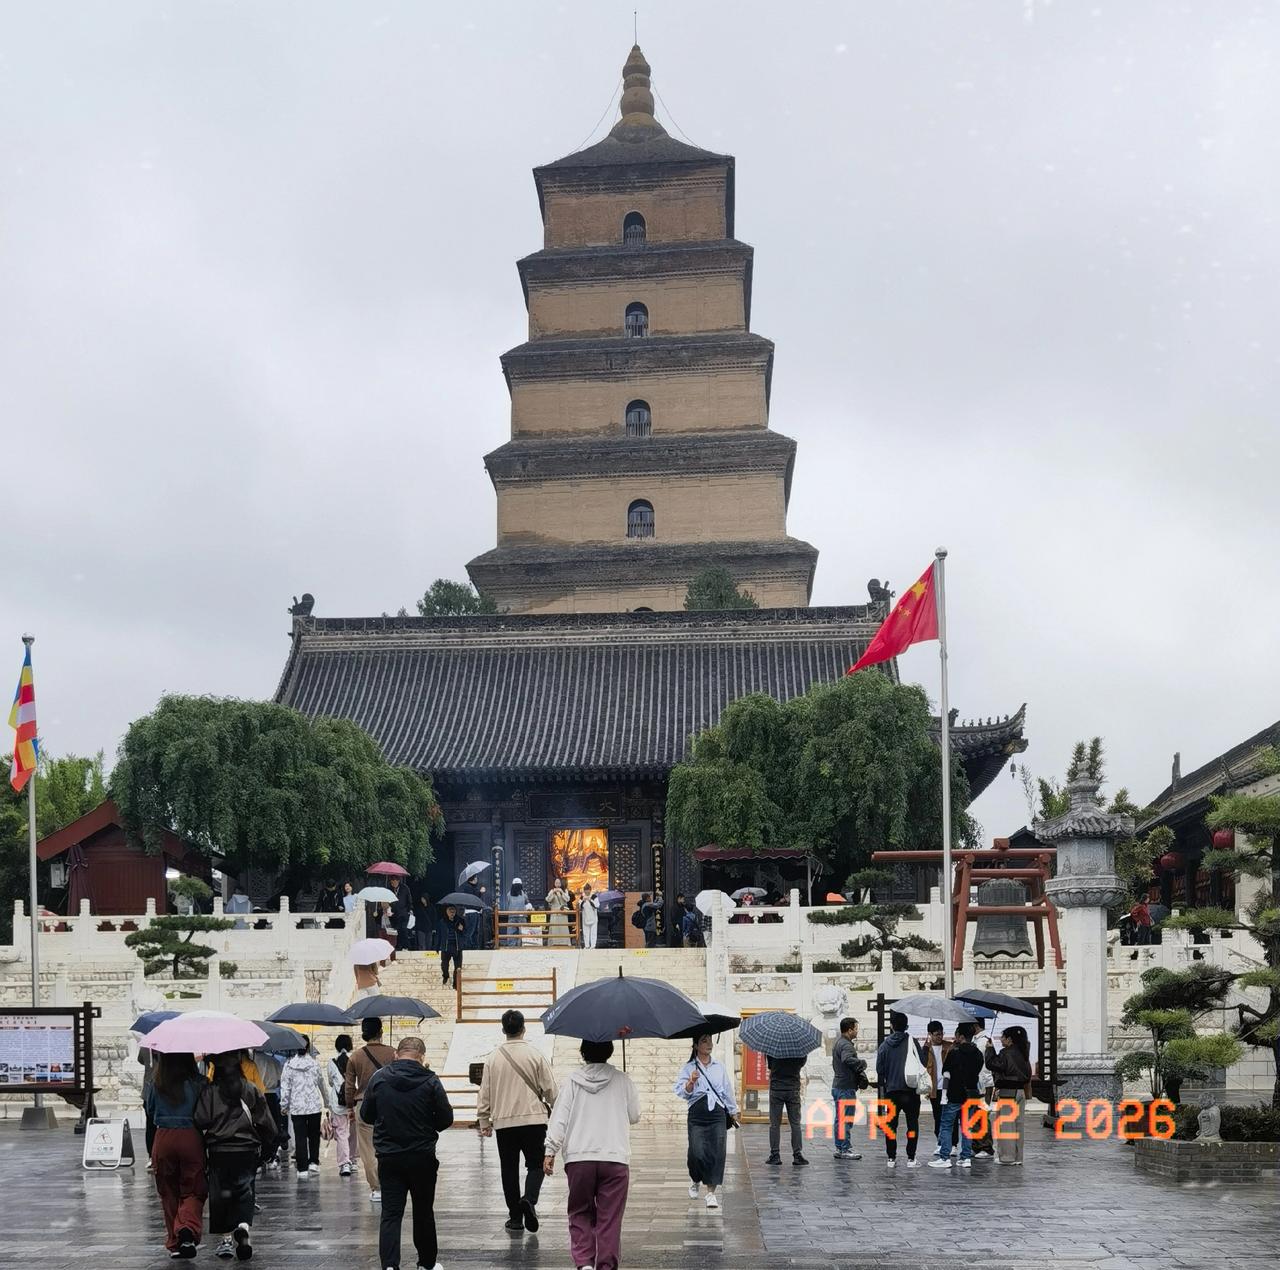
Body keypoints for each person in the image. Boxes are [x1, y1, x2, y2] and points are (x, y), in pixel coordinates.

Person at [544, 1040, 641, 1270]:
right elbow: (635, 1115)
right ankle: (606, 1265)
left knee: (579, 1211)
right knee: (610, 1218)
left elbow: (559, 1119)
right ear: (610, 1051)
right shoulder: (622, 1080)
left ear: (583, 1052)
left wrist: (550, 1150)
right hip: (614, 1157)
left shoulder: (571, 1082)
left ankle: (585, 1263)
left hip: (579, 1158)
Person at [360, 1036, 454, 1270]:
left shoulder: (379, 1078)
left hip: (389, 1156)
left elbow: (366, 1115)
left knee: (391, 1213)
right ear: (422, 1057)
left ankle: (390, 1265)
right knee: (423, 1210)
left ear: (396, 1054)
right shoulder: (431, 1080)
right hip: (421, 1155)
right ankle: (427, 1263)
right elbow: (446, 1118)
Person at [477, 1008, 558, 1234]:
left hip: (504, 1123)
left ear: (504, 1030)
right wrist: (559, 1109)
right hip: (534, 1120)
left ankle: (515, 1217)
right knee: (536, 1164)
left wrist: (484, 1120)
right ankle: (529, 1200)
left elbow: (485, 1092)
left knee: (508, 1169)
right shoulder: (535, 1054)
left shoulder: (493, 1058)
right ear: (523, 1028)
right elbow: (551, 1089)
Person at [196, 1051, 276, 1260]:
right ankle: (243, 1227)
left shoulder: (210, 1092)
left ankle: (225, 1240)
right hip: (246, 1149)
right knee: (245, 1191)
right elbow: (265, 1120)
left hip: (219, 1150)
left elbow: (201, 1119)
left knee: (223, 1195)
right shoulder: (251, 1089)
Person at [145, 1051, 208, 1258]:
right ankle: (187, 1229)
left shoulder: (157, 1083)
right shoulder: (200, 1082)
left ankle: (174, 1240)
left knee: (168, 1190)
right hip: (191, 1136)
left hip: (163, 1137)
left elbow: (150, 1111)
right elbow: (206, 1114)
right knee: (193, 1187)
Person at [674, 1032, 738, 1207]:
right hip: (697, 1113)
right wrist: (691, 1082)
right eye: (704, 1041)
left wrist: (733, 1110)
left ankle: (711, 1193)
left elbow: (726, 1090)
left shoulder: (719, 1066)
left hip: (716, 1113)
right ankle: (695, 1178)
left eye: (710, 1040)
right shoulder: (689, 1067)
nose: (709, 1044)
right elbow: (681, 1092)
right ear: (696, 1046)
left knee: (717, 1152)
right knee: (696, 1152)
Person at [344, 1016, 397, 1202]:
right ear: (381, 1032)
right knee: (389, 1145)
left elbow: (349, 1086)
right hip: (389, 1104)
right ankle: (390, 1182)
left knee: (367, 1148)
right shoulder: (393, 1054)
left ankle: (376, 1188)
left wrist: (350, 1107)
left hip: (363, 1104)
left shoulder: (356, 1056)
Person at [929, 1022, 984, 1168]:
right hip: (972, 1094)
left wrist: (944, 1094)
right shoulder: (978, 1054)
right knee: (967, 1127)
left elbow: (946, 1074)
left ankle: (945, 1157)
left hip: (954, 1094)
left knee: (946, 1125)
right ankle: (965, 1158)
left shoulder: (954, 1052)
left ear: (960, 1036)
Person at [875, 1010, 925, 1168]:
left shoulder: (884, 1045)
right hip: (910, 1091)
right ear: (907, 1026)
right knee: (912, 1125)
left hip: (891, 1092)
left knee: (891, 1126)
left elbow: (879, 1069)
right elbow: (922, 1062)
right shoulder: (912, 1041)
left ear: (891, 1026)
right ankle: (911, 1157)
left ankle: (891, 1158)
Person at [279, 1039, 330, 1180]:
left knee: (300, 1137)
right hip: (313, 1105)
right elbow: (322, 1084)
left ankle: (302, 1168)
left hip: (297, 1107)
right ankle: (313, 1162)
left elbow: (285, 1088)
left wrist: (284, 1106)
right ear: (308, 1047)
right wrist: (327, 1102)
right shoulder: (314, 1064)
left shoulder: (288, 1066)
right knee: (314, 1135)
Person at [986, 1025, 1033, 1165]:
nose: (1001, 1039)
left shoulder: (1006, 1053)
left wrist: (989, 1049)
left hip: (1008, 1092)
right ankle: (1018, 1157)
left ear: (1009, 1039)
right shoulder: (1023, 1052)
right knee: (1019, 1125)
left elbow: (993, 1064)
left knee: (1006, 1125)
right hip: (1020, 1092)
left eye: (1003, 1037)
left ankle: (1007, 1157)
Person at [763, 1050, 808, 1166]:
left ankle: (775, 1155)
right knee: (795, 1124)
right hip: (793, 1089)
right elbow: (802, 1063)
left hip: (776, 1089)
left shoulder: (772, 1047)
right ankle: (797, 1155)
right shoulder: (798, 1047)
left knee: (774, 1124)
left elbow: (770, 1065)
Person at [831, 1016, 867, 1161]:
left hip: (839, 1086)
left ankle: (840, 1147)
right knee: (845, 1119)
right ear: (850, 1029)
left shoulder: (838, 1043)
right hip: (845, 1087)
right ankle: (845, 1148)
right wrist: (861, 1064)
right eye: (856, 1028)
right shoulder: (846, 1045)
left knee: (839, 1119)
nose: (857, 1031)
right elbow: (847, 1059)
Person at [327, 1034, 358, 1178]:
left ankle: (345, 1163)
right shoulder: (356, 1059)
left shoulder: (332, 1062)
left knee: (341, 1133)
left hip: (338, 1103)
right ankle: (353, 1159)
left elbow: (331, 1083)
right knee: (353, 1132)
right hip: (354, 1100)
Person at [922, 1020, 952, 1139]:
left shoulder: (949, 1046)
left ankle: (952, 1143)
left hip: (948, 1086)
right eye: (937, 1034)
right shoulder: (926, 1049)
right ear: (930, 1034)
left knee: (950, 1116)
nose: (940, 1037)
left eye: (941, 1033)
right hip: (934, 1087)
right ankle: (940, 1140)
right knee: (937, 1115)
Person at [438, 903, 466, 989]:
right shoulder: (442, 921)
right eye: (450, 911)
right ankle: (445, 976)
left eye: (453, 911)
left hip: (457, 946)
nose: (452, 913)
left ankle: (456, 984)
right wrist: (436, 946)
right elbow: (439, 934)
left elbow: (465, 933)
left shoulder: (460, 920)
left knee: (458, 967)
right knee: (444, 965)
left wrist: (461, 929)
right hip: (446, 946)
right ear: (447, 912)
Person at [546, 876, 571, 947]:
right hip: (554, 913)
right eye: (556, 882)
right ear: (554, 883)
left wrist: (562, 892)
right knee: (554, 928)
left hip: (562, 913)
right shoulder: (552, 891)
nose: (557, 884)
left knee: (563, 928)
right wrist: (553, 893)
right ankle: (554, 943)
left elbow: (567, 899)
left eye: (559, 882)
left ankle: (565, 942)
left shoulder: (565, 890)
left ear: (561, 883)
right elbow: (548, 899)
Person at [579, 883, 600, 950]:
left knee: (593, 932)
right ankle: (587, 945)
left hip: (593, 917)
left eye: (588, 890)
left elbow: (597, 906)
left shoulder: (594, 897)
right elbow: (580, 907)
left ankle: (593, 945)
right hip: (585, 917)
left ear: (590, 890)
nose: (587, 891)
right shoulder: (582, 897)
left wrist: (590, 900)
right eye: (585, 890)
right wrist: (583, 901)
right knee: (585, 932)